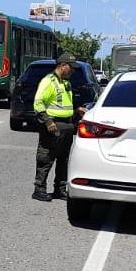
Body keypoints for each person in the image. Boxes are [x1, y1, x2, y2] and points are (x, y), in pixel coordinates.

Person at [32, 55, 77, 202]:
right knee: (46, 158)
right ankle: (39, 189)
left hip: (67, 127)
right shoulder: (48, 81)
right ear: (62, 65)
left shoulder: (66, 83)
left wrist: (77, 111)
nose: (73, 71)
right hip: (53, 126)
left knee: (63, 160)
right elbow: (38, 103)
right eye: (71, 67)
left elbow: (64, 105)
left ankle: (60, 189)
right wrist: (48, 121)